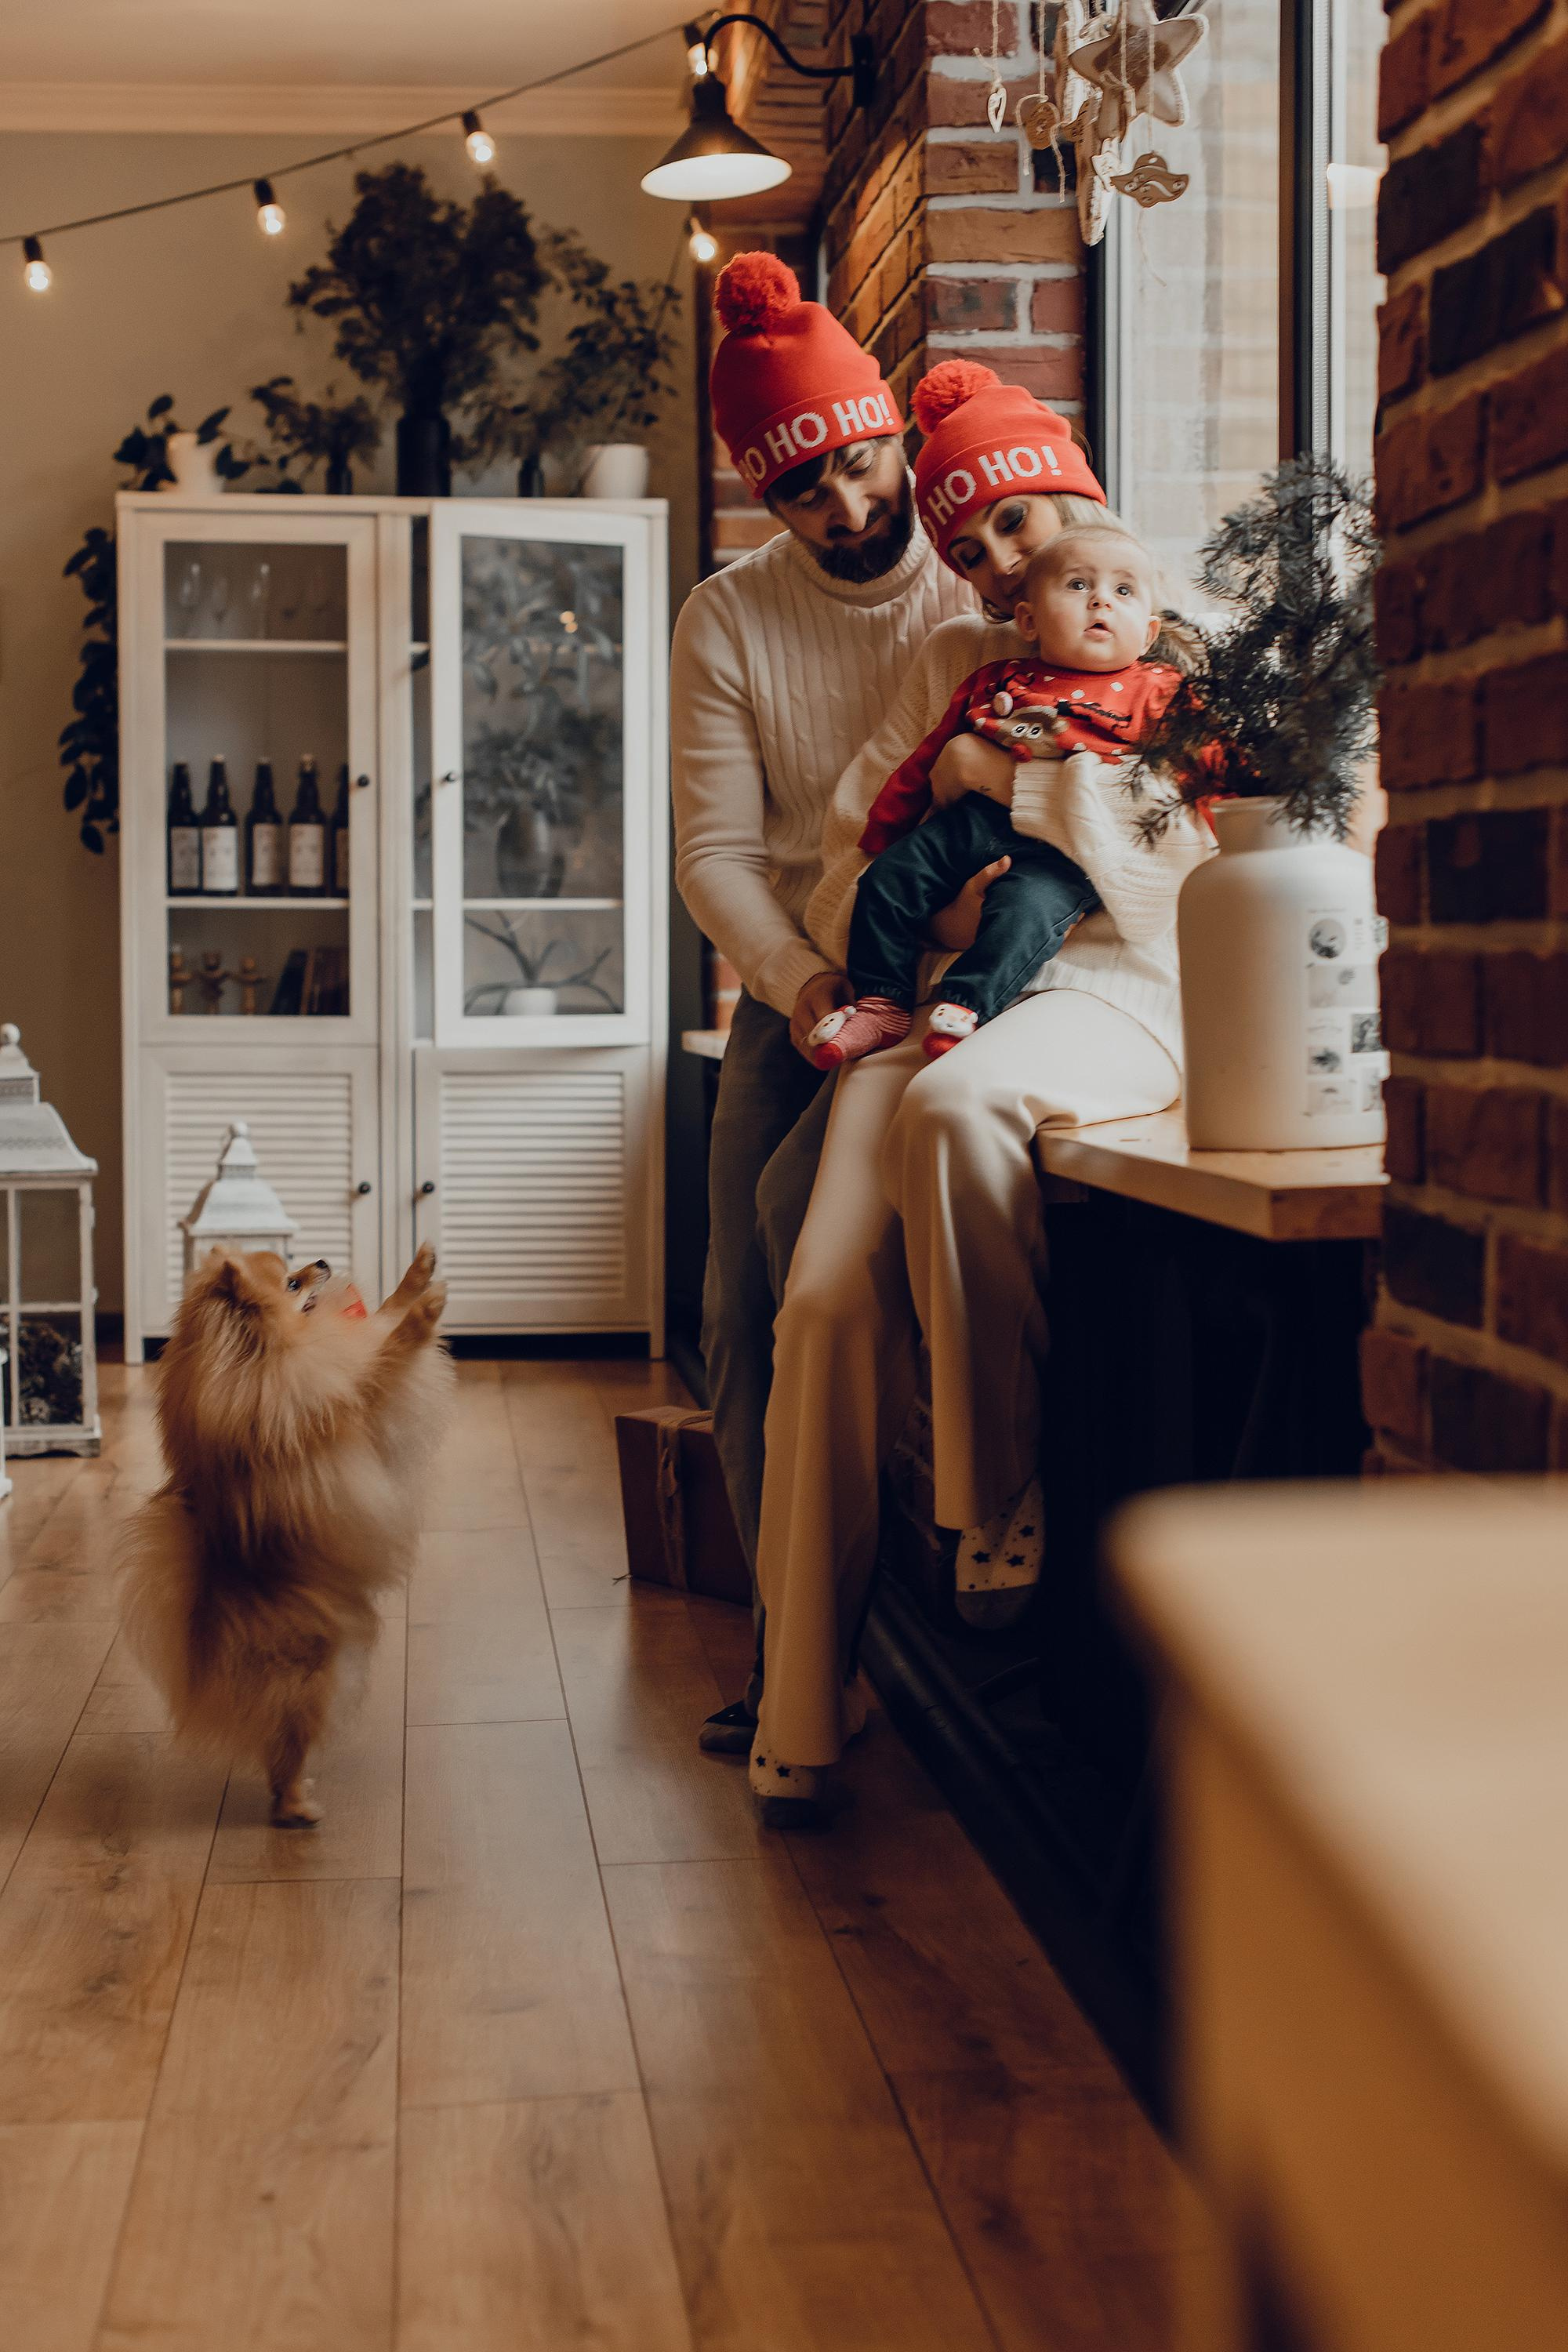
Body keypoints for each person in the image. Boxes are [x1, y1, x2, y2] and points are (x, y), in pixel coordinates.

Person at [742, 359, 1215, 1824]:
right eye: (979, 549)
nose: (1007, 564)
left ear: (1077, 486)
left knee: (958, 1122)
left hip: (1114, 1002)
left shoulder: (1189, 654)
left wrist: (1000, 786)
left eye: (1022, 521)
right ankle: (800, 1699)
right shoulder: (950, 662)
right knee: (816, 1299)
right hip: (931, 1005)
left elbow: (1177, 890)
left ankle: (986, 1481)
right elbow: (840, 871)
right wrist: (931, 911)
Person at [808, 525, 1182, 1069]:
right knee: (888, 879)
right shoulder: (997, 679)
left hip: (1062, 850)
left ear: (1148, 633)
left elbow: (1184, 778)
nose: (1101, 600)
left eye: (1123, 592)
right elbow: (932, 757)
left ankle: (968, 1004)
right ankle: (882, 1001)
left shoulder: (1157, 690)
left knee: (1025, 911)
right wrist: (887, 829)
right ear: (1027, 620)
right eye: (1078, 586)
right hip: (973, 822)